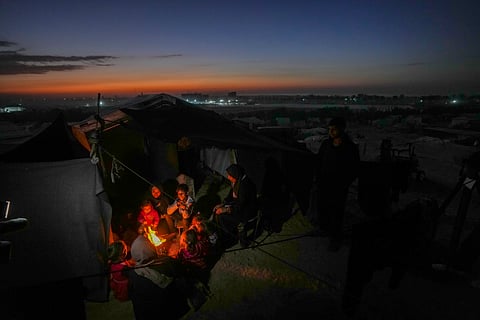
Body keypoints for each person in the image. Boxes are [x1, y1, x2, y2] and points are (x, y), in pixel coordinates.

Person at [315, 116, 360, 252]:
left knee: (337, 212)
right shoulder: (326, 145)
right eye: (329, 129)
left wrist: (344, 183)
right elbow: (319, 162)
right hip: (324, 184)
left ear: (342, 129)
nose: (331, 132)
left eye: (334, 129)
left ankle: (335, 239)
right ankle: (324, 230)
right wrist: (318, 178)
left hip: (339, 187)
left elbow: (354, 168)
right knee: (323, 208)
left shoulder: (350, 148)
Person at [126, 231, 190, 319]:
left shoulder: (132, 273)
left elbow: (132, 295)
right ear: (149, 248)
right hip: (169, 311)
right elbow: (182, 270)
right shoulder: (166, 263)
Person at [213, 163, 258, 248]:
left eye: (230, 175)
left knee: (222, 216)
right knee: (217, 211)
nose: (228, 177)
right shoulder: (237, 182)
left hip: (246, 211)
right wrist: (223, 204)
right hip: (238, 206)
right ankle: (229, 233)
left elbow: (241, 205)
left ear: (235, 175)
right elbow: (231, 195)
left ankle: (232, 237)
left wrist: (226, 209)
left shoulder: (245, 186)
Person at [258, 156, 291, 233]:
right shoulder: (271, 173)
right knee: (269, 213)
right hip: (271, 199)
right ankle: (270, 225)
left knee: (273, 214)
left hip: (275, 199)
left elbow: (284, 187)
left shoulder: (275, 174)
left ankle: (273, 226)